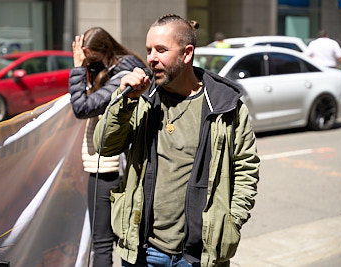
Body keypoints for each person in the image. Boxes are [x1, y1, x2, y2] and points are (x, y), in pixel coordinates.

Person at [93, 14, 259, 267]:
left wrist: (231, 220)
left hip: (199, 255)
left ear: (187, 53)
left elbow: (246, 167)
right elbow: (104, 146)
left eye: (161, 50)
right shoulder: (140, 98)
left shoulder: (225, 104)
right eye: (149, 50)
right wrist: (124, 102)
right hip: (142, 249)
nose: (151, 58)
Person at [68, 27, 145, 267]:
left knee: (106, 244)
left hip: (110, 169)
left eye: (90, 58)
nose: (89, 64)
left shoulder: (123, 75)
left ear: (103, 50)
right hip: (109, 167)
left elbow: (82, 107)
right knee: (121, 241)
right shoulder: (113, 69)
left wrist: (79, 69)